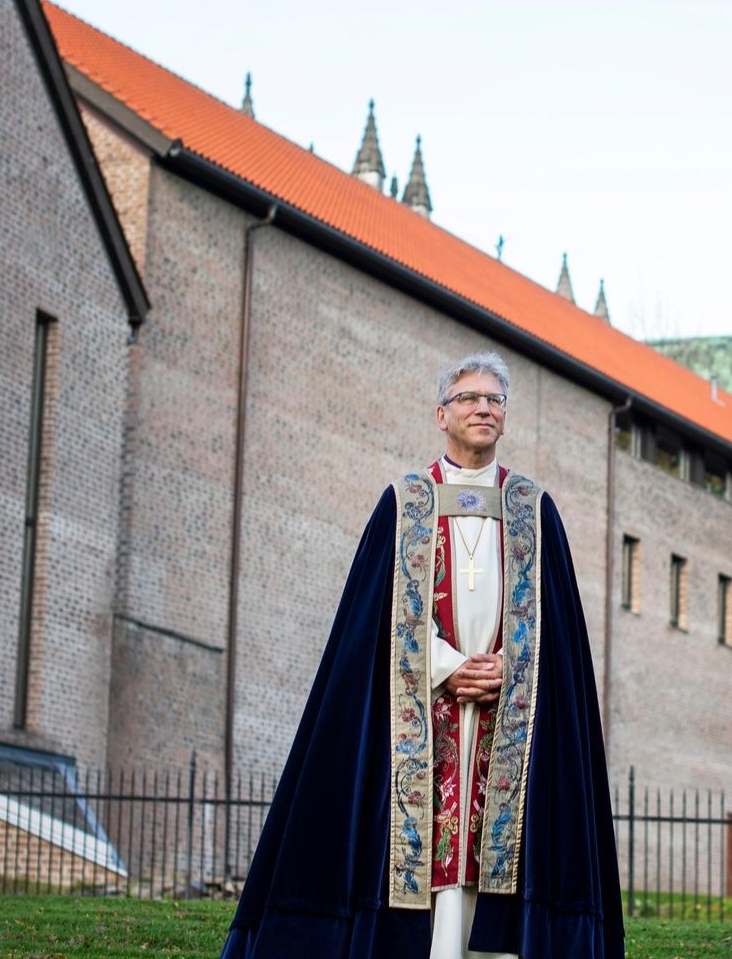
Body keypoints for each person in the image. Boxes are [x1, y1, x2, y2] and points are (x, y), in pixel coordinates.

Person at [220, 352, 623, 959]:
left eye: (497, 400)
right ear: (441, 414)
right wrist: (446, 667)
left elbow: (559, 638)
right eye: (470, 398)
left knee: (500, 848)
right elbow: (371, 622)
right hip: (421, 708)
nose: (485, 407)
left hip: (507, 711)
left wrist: (506, 671)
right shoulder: (404, 501)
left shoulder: (534, 510)